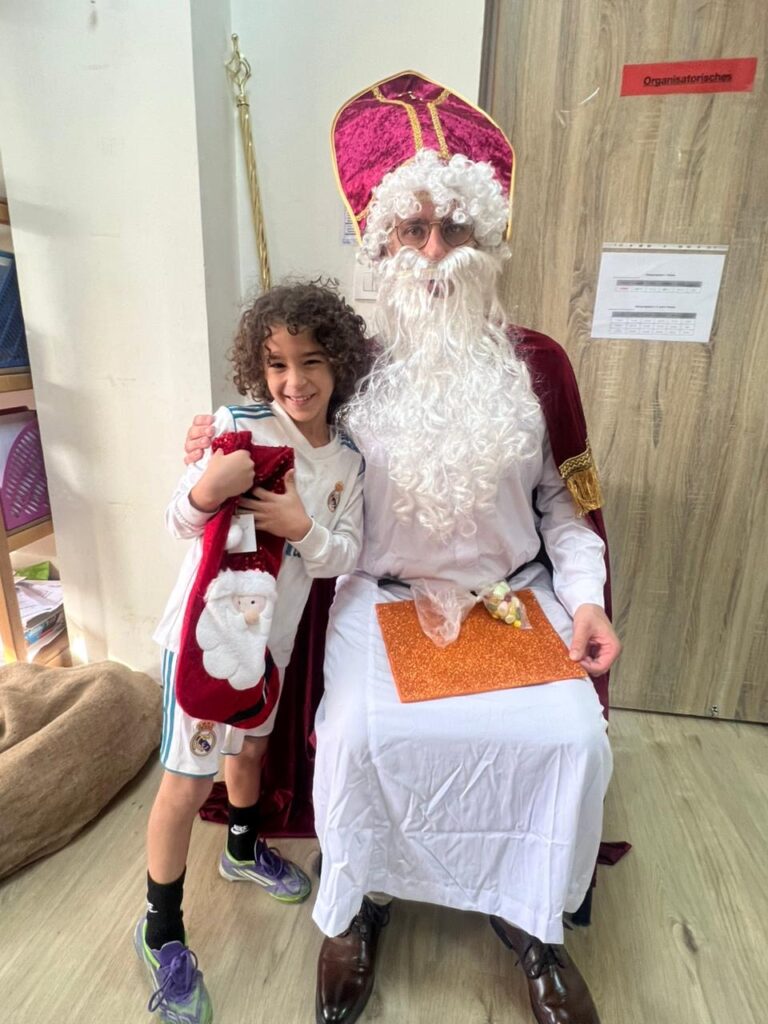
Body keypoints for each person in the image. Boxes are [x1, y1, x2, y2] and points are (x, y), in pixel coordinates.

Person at [185, 72, 621, 1024]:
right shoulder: (346, 369)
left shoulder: (539, 364)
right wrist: (217, 439)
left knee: (572, 740)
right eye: (412, 228)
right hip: (378, 600)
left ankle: (536, 923)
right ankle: (358, 905)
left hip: (515, 598)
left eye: (453, 228)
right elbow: (275, 428)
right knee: (356, 739)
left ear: (487, 240)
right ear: (378, 242)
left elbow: (567, 509)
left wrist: (585, 599)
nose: (433, 251)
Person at [137, 280, 369, 1024]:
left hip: (271, 647)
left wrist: (301, 526)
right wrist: (210, 486)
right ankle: (161, 930)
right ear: (258, 368)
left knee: (252, 752)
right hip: (206, 648)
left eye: (311, 362)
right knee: (186, 782)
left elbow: (344, 556)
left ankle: (241, 849)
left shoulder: (349, 462)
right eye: (277, 365)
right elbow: (177, 520)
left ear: (338, 365)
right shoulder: (236, 426)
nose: (294, 381)